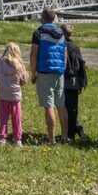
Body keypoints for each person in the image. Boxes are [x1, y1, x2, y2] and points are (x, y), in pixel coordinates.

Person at [29, 8, 68, 143]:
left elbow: (33, 54)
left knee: (49, 106)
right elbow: (65, 54)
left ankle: (51, 138)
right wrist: (63, 69)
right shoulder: (61, 32)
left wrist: (33, 73)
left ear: (42, 17)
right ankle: (64, 136)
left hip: (45, 71)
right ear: (54, 18)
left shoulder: (39, 32)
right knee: (61, 105)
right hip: (59, 72)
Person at [0, 42, 28, 146]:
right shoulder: (19, 65)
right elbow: (24, 80)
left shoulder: (0, 62)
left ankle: (2, 138)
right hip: (15, 95)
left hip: (4, 94)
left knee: (3, 117)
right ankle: (17, 139)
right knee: (16, 118)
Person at [61, 24, 89, 140]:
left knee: (65, 107)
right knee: (73, 107)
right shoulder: (75, 46)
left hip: (64, 79)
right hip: (74, 80)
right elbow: (81, 65)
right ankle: (74, 129)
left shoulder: (61, 45)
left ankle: (73, 130)